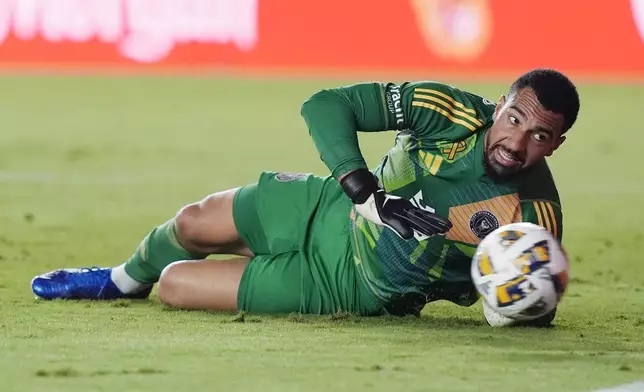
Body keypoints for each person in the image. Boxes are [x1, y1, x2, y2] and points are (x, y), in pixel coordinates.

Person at [31, 68, 579, 325]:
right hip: (330, 207)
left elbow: (526, 296)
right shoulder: (448, 112)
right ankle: (119, 282)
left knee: (175, 285)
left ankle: (190, 274)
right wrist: (363, 191)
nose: (516, 142)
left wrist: (512, 307)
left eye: (539, 136)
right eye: (513, 118)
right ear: (501, 103)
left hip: (352, 283)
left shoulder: (535, 218)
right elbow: (325, 104)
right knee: (193, 221)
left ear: (555, 145)